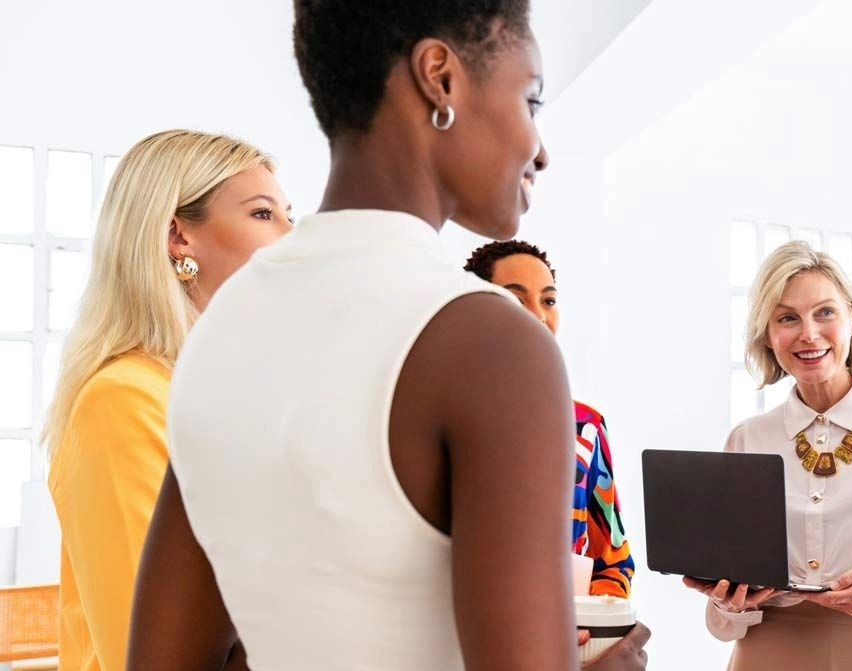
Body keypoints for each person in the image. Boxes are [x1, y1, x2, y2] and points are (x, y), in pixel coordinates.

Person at [125, 2, 648, 669]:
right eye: (531, 99)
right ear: (440, 78)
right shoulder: (494, 344)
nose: (540, 150)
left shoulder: (222, 328)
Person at [42, 129, 292, 671]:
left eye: (287, 214)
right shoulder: (122, 401)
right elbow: (151, 650)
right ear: (179, 237)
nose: (292, 237)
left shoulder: (215, 395)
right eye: (263, 214)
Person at [687, 241, 852, 671]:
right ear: (768, 336)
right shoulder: (747, 439)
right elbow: (724, 621)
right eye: (788, 318)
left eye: (825, 312)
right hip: (761, 654)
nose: (809, 334)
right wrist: (729, 600)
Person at [464, 240, 635, 598]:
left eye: (549, 300)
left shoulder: (585, 427)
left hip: (563, 639)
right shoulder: (446, 418)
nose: (539, 316)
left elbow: (613, 564)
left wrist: (593, 622)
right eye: (516, 298)